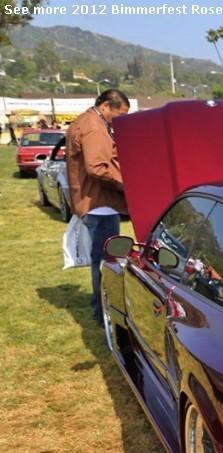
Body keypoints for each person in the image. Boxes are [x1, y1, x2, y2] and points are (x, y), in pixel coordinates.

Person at [66, 88, 131, 325]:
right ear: (105, 106)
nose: (121, 119)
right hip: (100, 204)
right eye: (120, 114)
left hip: (93, 202)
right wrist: (124, 185)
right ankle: (104, 309)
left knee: (101, 258)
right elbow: (96, 168)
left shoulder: (84, 121)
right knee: (106, 261)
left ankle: (102, 306)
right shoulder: (94, 126)